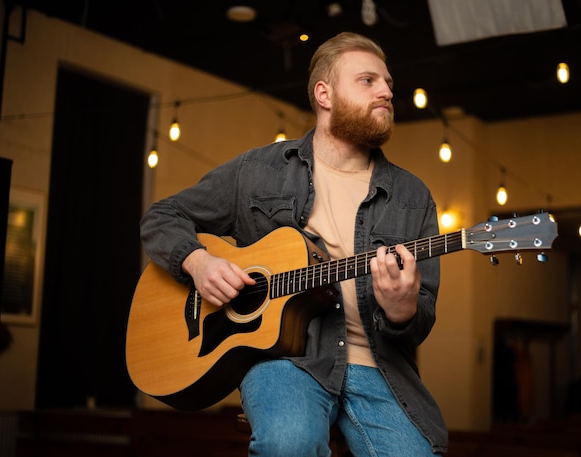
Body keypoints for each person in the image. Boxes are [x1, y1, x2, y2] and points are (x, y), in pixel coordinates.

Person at [140, 32, 447, 456]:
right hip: (286, 359)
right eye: (368, 80)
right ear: (324, 93)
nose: (387, 92)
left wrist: (403, 310)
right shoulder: (258, 170)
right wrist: (198, 263)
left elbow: (422, 318)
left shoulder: (414, 198)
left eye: (388, 83)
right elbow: (161, 216)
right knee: (289, 444)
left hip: (379, 366)